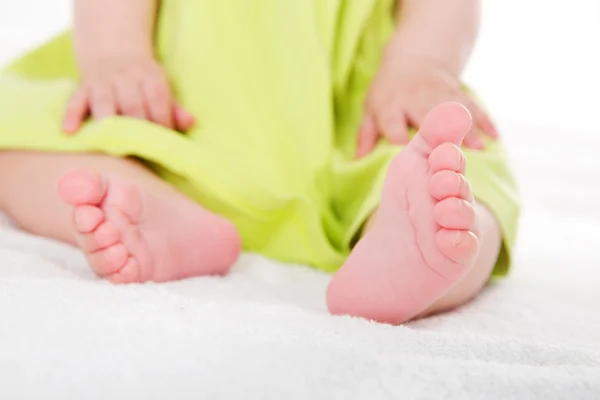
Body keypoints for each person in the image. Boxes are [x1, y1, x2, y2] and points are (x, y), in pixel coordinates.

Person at [0, 0, 519, 324]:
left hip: (360, 114)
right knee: (18, 131)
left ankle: (402, 248)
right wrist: (116, 55)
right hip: (168, 108)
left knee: (449, 163)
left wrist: (418, 66)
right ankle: (156, 209)